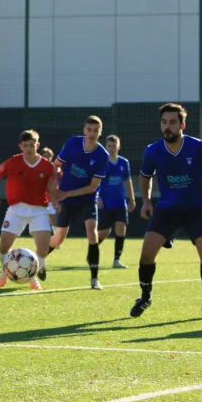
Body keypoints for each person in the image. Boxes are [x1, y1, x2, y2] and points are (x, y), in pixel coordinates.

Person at [129, 103, 202, 320]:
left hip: (196, 209)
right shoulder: (153, 150)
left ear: (182, 124)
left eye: (172, 122)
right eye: (164, 122)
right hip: (167, 210)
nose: (167, 127)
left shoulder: (199, 147)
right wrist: (146, 202)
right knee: (146, 253)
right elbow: (144, 175)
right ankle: (145, 296)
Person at [0, 130, 57, 290]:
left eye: (32, 145)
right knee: (4, 246)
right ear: (20, 146)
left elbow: (53, 188)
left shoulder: (47, 166)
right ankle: (6, 271)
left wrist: (56, 200)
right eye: (25, 145)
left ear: (37, 145)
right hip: (16, 210)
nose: (29, 148)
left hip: (39, 210)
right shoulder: (13, 162)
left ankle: (34, 275)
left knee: (43, 248)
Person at [49, 116, 110, 290]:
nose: (92, 133)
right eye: (89, 130)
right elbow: (57, 165)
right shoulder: (73, 143)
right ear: (84, 130)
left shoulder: (102, 156)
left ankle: (94, 279)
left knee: (92, 232)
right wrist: (55, 186)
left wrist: (65, 193)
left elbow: (92, 187)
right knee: (59, 238)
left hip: (86, 198)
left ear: (100, 132)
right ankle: (39, 261)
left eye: (95, 130)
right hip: (67, 199)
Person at [96, 134, 136, 269]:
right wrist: (98, 197)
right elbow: (96, 182)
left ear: (118, 147)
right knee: (104, 231)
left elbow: (128, 180)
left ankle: (116, 259)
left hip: (120, 203)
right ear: (105, 147)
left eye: (114, 146)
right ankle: (92, 249)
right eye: (109, 146)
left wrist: (132, 198)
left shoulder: (124, 162)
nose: (111, 148)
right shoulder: (102, 162)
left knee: (121, 229)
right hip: (106, 203)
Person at [39, 147, 58, 230]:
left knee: (54, 220)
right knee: (41, 223)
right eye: (45, 156)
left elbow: (61, 182)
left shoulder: (56, 168)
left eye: (49, 156)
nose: (47, 158)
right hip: (40, 200)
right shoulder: (37, 168)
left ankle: (56, 241)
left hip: (52, 199)